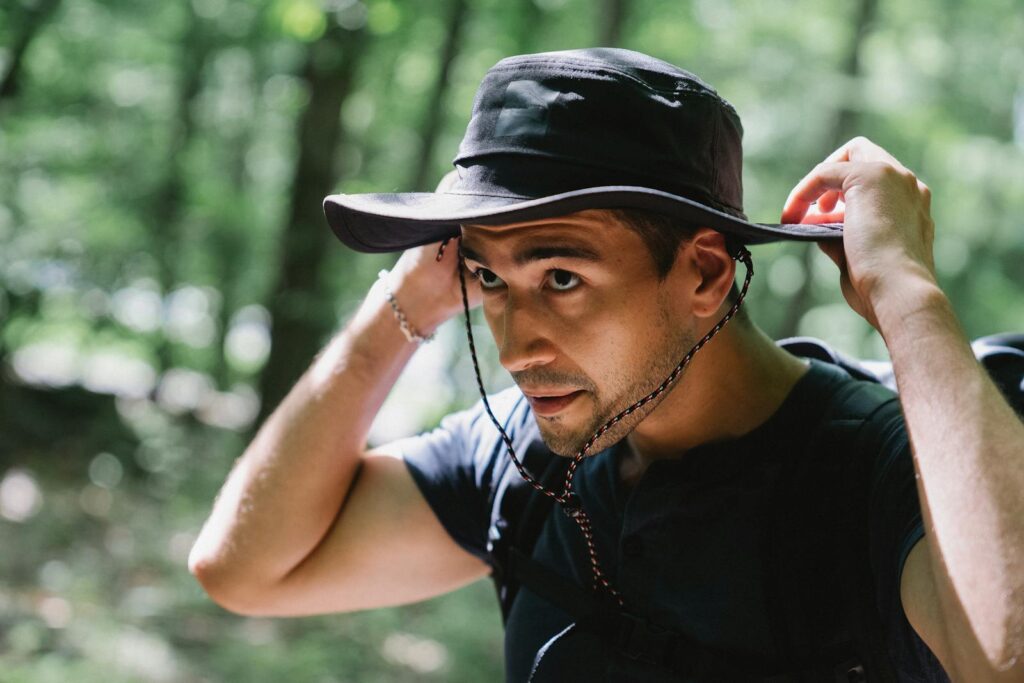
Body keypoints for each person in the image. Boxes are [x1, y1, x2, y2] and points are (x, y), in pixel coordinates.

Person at [188, 49, 1024, 682]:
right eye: (489, 277)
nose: (516, 345)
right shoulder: (526, 456)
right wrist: (401, 306)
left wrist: (906, 294)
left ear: (703, 272)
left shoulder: (878, 473)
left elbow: (1007, 655)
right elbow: (245, 568)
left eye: (562, 277)